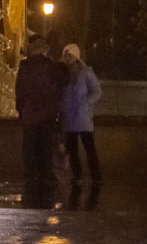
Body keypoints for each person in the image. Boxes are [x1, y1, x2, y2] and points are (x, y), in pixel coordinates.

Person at [14, 34, 67, 203]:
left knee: (29, 146)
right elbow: (64, 80)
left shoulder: (25, 66)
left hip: (30, 114)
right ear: (44, 50)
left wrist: (21, 109)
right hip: (46, 114)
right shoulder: (50, 66)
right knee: (45, 146)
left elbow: (19, 90)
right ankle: (45, 174)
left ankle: (31, 175)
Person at [60, 43, 103, 186]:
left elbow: (97, 91)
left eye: (70, 55)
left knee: (89, 148)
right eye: (65, 56)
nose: (67, 59)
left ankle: (96, 176)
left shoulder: (86, 72)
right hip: (70, 117)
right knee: (73, 150)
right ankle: (77, 176)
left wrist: (87, 103)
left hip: (83, 116)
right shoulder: (62, 73)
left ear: (76, 57)